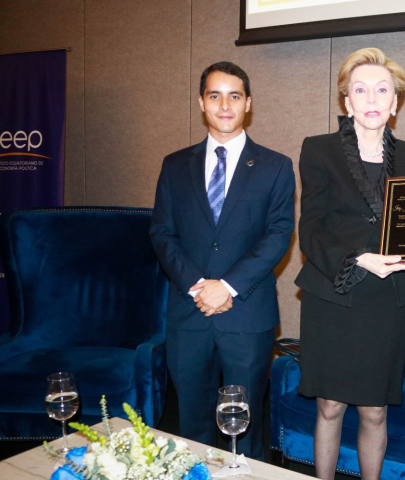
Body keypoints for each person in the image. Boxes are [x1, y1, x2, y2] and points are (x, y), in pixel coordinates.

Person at [149, 61, 295, 461]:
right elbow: (162, 233)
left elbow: (278, 234)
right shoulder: (174, 165)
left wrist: (225, 287)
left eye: (235, 96)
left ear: (248, 103)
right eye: (215, 95)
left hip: (246, 316)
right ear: (201, 102)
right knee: (191, 425)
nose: (225, 104)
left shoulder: (276, 166)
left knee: (244, 429)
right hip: (189, 313)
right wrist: (199, 286)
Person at [294, 48, 405, 480]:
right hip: (334, 292)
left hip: (385, 300)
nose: (372, 98)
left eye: (382, 90)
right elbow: (309, 230)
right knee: (329, 407)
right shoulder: (318, 150)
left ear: (395, 102)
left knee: (375, 411)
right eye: (361, 90)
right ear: (347, 102)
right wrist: (358, 257)